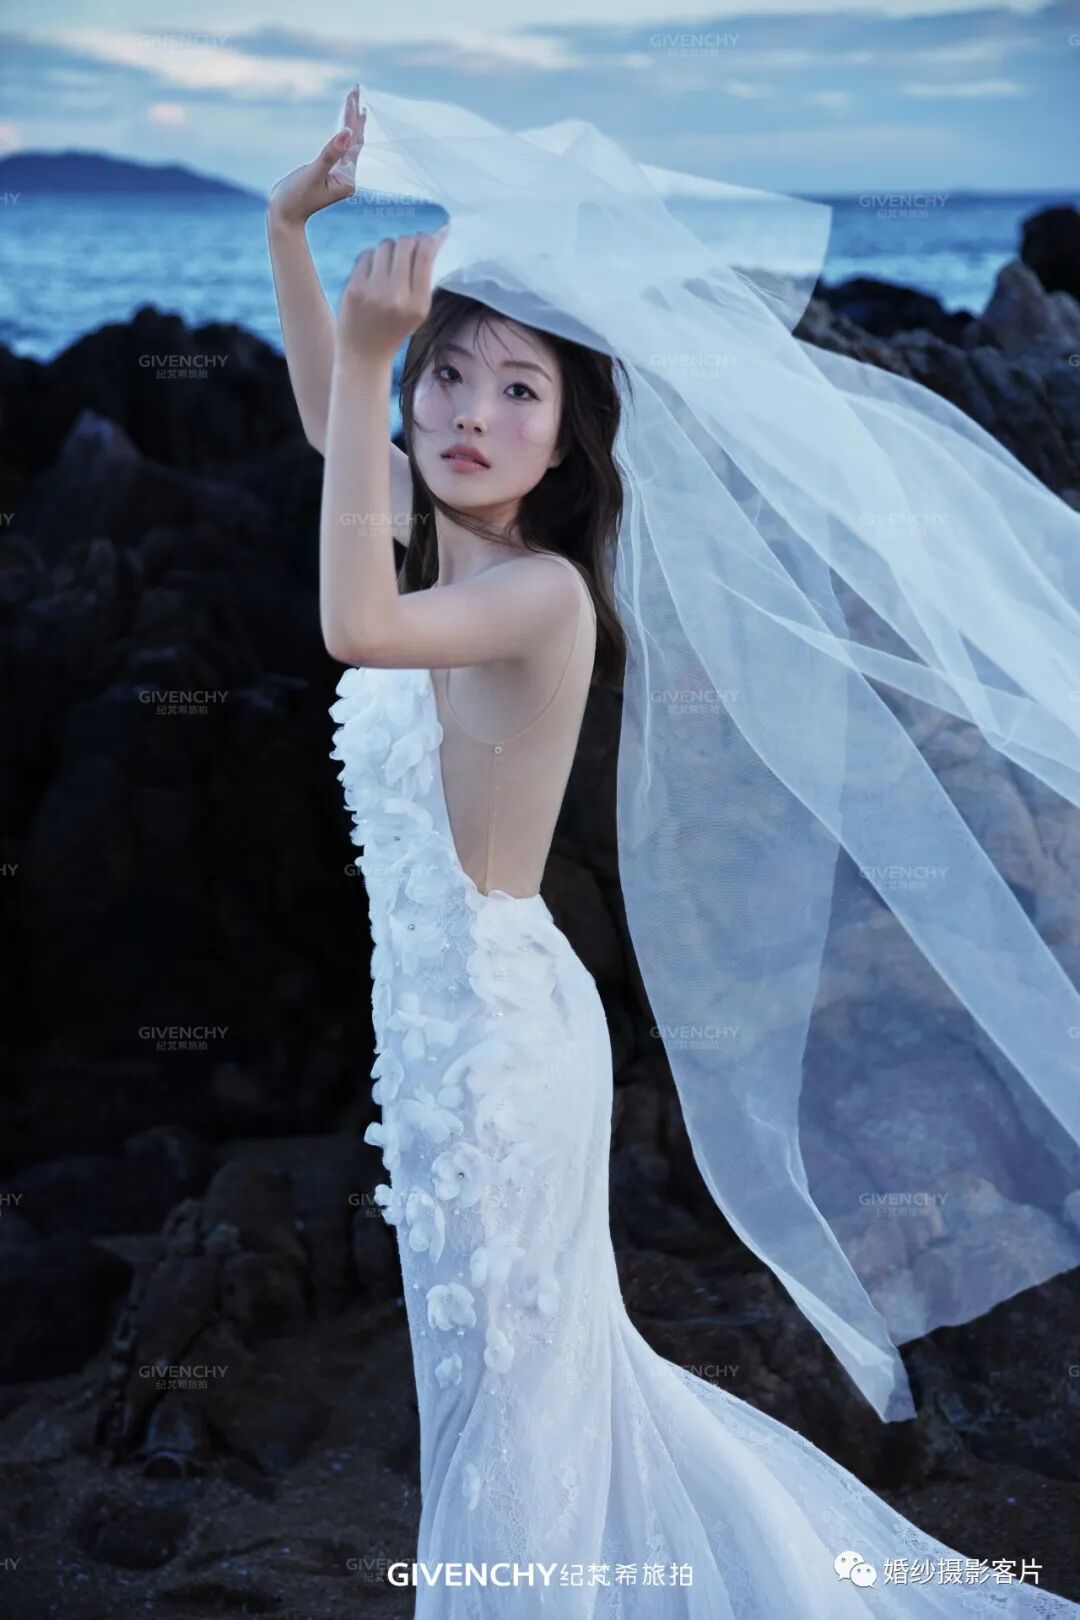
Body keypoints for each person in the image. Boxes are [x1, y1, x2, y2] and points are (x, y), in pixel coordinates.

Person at [266, 88, 1080, 1616]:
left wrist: (379, 353)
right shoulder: (436, 530)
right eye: (449, 375)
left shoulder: (540, 595)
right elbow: (333, 433)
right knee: (514, 1385)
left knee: (520, 1399)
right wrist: (288, 230)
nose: (469, 412)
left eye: (519, 389)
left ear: (572, 439)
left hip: (501, 1052)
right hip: (436, 1045)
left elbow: (352, 626)